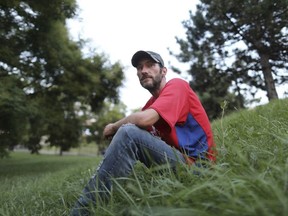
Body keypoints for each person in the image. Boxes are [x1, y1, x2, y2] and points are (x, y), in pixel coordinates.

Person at [70, 50, 216, 215]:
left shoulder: (177, 86)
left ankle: (81, 212)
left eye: (150, 65)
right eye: (139, 68)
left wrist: (112, 127)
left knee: (129, 133)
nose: (143, 70)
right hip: (177, 168)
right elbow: (131, 136)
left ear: (163, 71)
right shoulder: (149, 106)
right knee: (128, 133)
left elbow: (141, 122)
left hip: (201, 170)